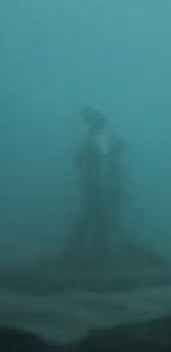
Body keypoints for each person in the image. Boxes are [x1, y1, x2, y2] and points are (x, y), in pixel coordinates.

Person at [63, 108, 115, 262]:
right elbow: (81, 160)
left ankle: (83, 249)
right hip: (93, 181)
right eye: (99, 122)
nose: (102, 125)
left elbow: (78, 160)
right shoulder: (93, 139)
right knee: (93, 213)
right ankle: (78, 249)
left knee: (94, 213)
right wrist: (92, 172)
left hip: (92, 181)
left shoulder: (91, 138)